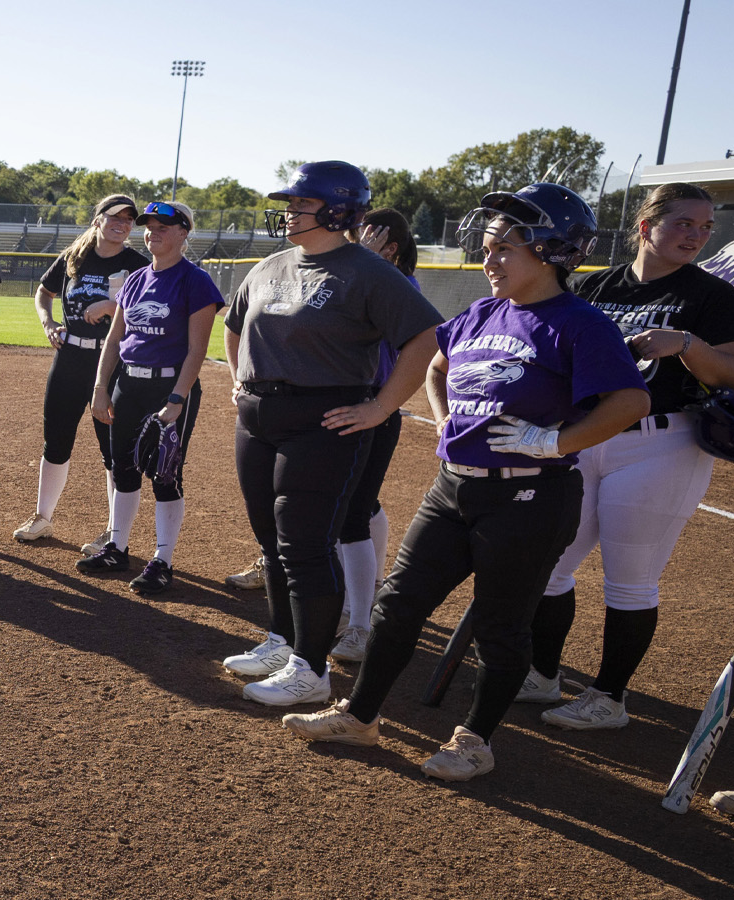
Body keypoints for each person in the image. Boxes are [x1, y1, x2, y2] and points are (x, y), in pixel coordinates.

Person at [282, 183, 649, 781]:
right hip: (454, 487)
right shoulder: (481, 312)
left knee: (502, 626)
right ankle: (361, 716)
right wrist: (446, 414)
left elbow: (631, 399)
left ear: (554, 251)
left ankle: (474, 740)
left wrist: (553, 441)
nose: (490, 259)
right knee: (397, 607)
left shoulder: (580, 322)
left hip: (530, 495)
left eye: (506, 247)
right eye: (487, 246)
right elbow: (437, 363)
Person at [220, 161, 443, 706]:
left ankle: (311, 668)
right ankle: (282, 639)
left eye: (300, 204)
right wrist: (239, 382)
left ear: (337, 210)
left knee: (304, 543)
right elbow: (233, 326)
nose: (289, 212)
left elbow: (426, 338)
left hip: (323, 420)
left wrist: (381, 406)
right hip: (258, 418)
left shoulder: (367, 271)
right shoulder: (271, 265)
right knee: (271, 540)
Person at [524, 182, 734, 730]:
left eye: (704, 227)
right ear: (646, 227)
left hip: (661, 443)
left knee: (630, 578)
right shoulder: (596, 286)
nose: (696, 235)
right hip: (586, 435)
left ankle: (609, 697)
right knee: (548, 564)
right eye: (683, 223)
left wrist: (687, 345)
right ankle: (543, 674)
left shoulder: (715, 296)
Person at [78, 201, 223, 593]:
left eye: (164, 225)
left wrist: (177, 398)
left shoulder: (196, 282)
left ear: (183, 233)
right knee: (123, 468)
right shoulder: (136, 279)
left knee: (165, 473)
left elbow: (196, 350)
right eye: (149, 225)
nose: (153, 231)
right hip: (129, 384)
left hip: (169, 387)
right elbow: (114, 339)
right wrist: (101, 387)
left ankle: (162, 561)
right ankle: (117, 548)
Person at [16, 194, 147, 546]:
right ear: (97, 220)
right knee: (56, 440)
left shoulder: (137, 263)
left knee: (113, 448)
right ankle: (43, 518)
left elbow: (154, 307)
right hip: (70, 357)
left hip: (114, 362)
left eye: (128, 219)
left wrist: (112, 304)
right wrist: (48, 323)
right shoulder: (75, 256)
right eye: (115, 217)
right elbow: (43, 293)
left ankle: (114, 532)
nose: (122, 224)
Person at [326, 208, 421, 660]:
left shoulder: (397, 283)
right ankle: (364, 590)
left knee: (352, 513)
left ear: (390, 247)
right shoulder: (362, 273)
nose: (350, 244)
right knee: (351, 505)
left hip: (373, 407)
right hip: (337, 404)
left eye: (361, 238)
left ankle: (360, 621)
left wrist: (362, 262)